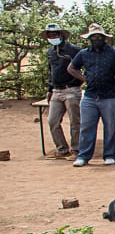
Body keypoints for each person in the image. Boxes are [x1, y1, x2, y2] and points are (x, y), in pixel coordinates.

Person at [67, 24, 115, 167]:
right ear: (89, 38)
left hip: (110, 95)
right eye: (93, 37)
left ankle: (109, 155)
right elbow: (71, 68)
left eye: (99, 36)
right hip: (90, 95)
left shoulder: (114, 52)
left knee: (110, 127)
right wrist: (84, 79)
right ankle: (83, 156)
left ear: (104, 38)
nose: (96, 39)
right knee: (86, 127)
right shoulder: (84, 53)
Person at [41, 23, 82, 159]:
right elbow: (50, 71)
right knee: (52, 121)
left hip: (71, 90)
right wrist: (49, 89)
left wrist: (82, 79)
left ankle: (76, 150)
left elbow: (87, 64)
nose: (52, 37)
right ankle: (62, 149)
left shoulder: (74, 50)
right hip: (56, 91)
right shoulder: (50, 52)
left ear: (61, 35)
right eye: (49, 35)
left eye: (54, 34)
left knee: (74, 122)